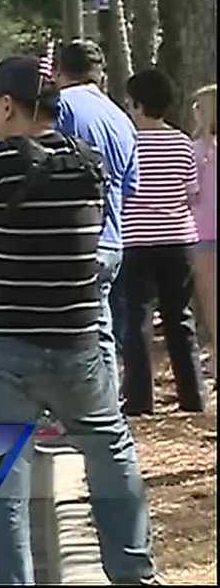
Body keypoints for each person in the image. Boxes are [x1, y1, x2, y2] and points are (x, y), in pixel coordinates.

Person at [0, 56, 156, 585]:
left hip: (4, 343)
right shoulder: (89, 161)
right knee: (109, 447)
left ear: (8, 105)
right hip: (76, 338)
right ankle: (132, 569)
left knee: (3, 472)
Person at [118, 70, 208, 414]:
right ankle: (193, 396)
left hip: (136, 240)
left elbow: (123, 190)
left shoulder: (129, 142)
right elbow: (191, 194)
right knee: (178, 318)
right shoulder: (183, 142)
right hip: (178, 239)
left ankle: (139, 399)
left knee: (137, 318)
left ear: (138, 105)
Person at [55, 39, 140, 400]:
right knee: (99, 325)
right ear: (100, 73)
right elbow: (132, 185)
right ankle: (106, 405)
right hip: (110, 237)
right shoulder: (121, 117)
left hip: (70, 236)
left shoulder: (60, 108)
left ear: (60, 72)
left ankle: (68, 409)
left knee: (61, 329)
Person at [190, 84, 217, 375]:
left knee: (211, 303)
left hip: (203, 232)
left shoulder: (195, 151)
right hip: (203, 232)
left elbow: (191, 193)